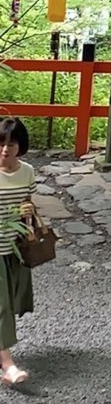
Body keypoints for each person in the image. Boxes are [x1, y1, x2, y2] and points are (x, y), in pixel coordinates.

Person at [0, 117, 35, 387]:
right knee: (2, 306)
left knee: (10, 301)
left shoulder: (28, 172)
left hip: (14, 246)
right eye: (1, 143)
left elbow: (28, 204)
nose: (5, 149)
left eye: (11, 144)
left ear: (20, 146)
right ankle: (8, 365)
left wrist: (28, 213)